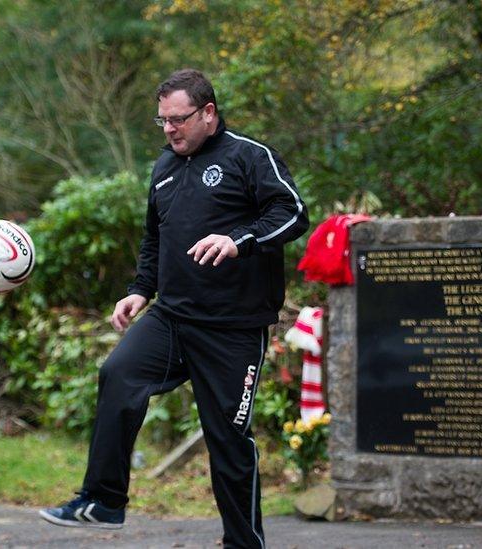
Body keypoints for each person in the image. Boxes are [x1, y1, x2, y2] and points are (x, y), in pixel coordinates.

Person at [39, 68, 309, 548]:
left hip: (233, 329)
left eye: (178, 120)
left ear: (208, 112)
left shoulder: (249, 156)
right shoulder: (164, 167)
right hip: (172, 317)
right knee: (118, 374)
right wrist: (140, 290)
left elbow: (292, 214)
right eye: (161, 121)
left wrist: (237, 240)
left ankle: (244, 545)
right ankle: (103, 501)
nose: (169, 130)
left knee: (228, 443)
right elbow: (154, 237)